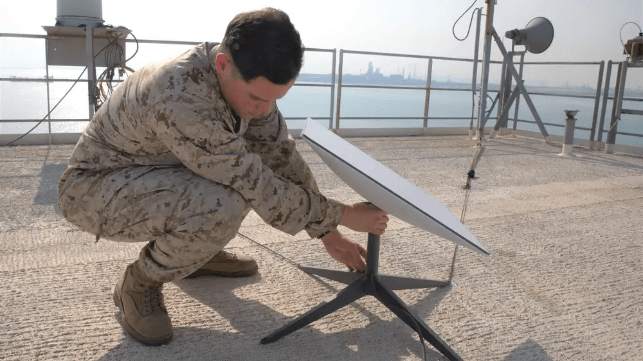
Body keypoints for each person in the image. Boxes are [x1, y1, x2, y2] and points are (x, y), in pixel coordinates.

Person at [58, 7, 388, 346]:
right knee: (223, 202)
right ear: (222, 65)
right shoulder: (180, 96)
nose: (264, 109)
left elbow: (280, 155)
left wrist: (328, 234)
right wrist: (343, 215)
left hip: (154, 170)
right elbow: (256, 184)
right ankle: (138, 283)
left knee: (238, 179)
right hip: (93, 189)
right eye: (258, 98)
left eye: (275, 99)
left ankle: (195, 253)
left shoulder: (241, 80)